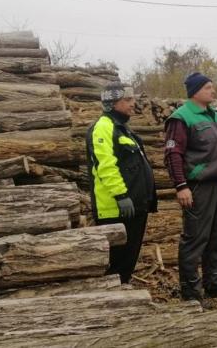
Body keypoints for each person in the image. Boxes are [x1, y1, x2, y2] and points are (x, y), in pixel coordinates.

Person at [164, 72, 217, 303]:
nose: (213, 90)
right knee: (195, 239)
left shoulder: (215, 116)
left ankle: (214, 284)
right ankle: (191, 293)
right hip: (197, 187)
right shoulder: (181, 118)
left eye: (213, 87)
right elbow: (173, 154)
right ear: (195, 91)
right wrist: (181, 186)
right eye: (209, 87)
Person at [86, 82, 157, 283]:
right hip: (116, 209)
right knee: (116, 261)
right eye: (127, 100)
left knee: (128, 258)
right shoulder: (103, 127)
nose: (132, 104)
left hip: (134, 207)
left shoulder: (123, 129)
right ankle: (113, 296)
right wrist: (121, 195)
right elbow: (105, 165)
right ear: (111, 103)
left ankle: (122, 290)